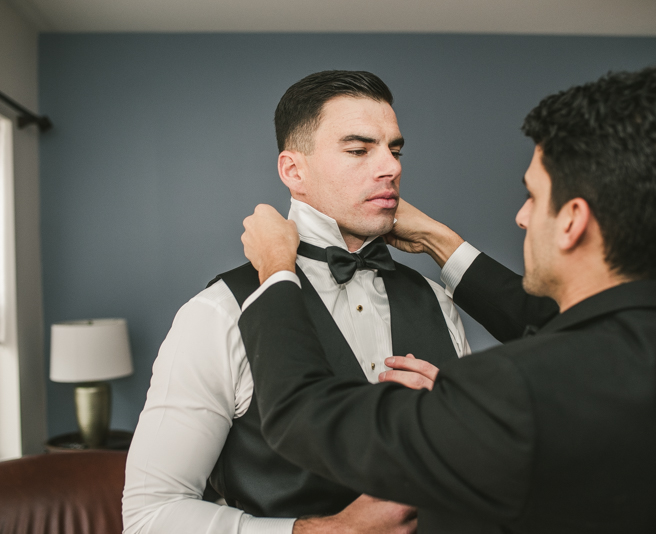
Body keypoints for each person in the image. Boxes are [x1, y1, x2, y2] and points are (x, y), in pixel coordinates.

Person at [236, 67, 656, 533]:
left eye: (532, 197)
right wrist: (441, 241)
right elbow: (561, 327)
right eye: (359, 149)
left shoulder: (509, 389)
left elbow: (305, 416)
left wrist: (277, 272)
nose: (521, 218)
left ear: (572, 220)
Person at [122, 70, 471, 534]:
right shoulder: (219, 313)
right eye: (359, 149)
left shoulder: (437, 301)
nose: (391, 167)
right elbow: (150, 516)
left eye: (395, 149)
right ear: (293, 171)